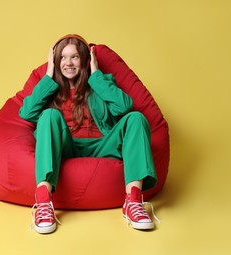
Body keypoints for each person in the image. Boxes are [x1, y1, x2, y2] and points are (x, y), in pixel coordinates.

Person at [19, 34, 159, 234]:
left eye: (74, 57)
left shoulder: (99, 82)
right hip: (67, 146)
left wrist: (96, 75)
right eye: (63, 58)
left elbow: (124, 106)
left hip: (102, 144)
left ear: (84, 60)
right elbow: (27, 112)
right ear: (56, 61)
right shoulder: (49, 88)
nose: (68, 63)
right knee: (48, 115)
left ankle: (133, 201)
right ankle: (43, 202)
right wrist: (49, 74)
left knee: (136, 118)